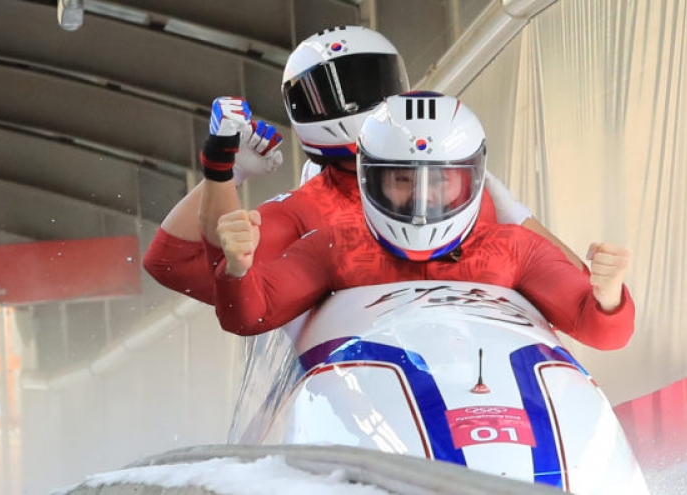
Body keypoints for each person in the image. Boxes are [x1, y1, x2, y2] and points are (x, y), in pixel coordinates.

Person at [144, 25, 582, 306]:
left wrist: (512, 211)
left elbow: (574, 285)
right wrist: (224, 176)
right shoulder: (308, 207)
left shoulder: (465, 189)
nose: (423, 194)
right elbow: (176, 263)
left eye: (369, 82)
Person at [207, 92, 634, 351]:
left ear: (472, 181)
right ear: (368, 181)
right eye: (401, 180)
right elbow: (252, 315)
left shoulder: (513, 250)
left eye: (441, 182)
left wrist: (609, 295)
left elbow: (600, 330)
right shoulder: (336, 247)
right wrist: (238, 269)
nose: (422, 199)